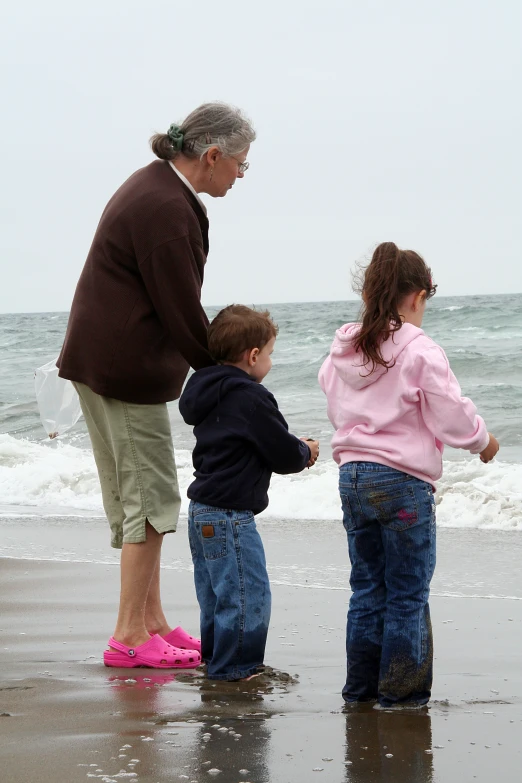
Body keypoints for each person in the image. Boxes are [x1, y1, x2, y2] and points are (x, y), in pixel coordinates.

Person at [57, 103, 256, 669]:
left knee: (132, 499)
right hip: (125, 370)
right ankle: (127, 638)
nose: (240, 175)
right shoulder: (167, 207)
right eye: (240, 164)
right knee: (148, 504)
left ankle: (151, 622)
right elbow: (181, 310)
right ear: (212, 155)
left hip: (101, 362)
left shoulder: (155, 188)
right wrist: (226, 378)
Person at [319, 242, 499, 708]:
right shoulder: (420, 348)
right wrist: (483, 441)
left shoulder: (343, 348)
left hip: (353, 474)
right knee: (407, 593)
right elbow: (451, 414)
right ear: (418, 296)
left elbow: (334, 400)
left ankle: (360, 691)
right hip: (401, 482)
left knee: (367, 588)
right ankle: (401, 695)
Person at [179, 305, 320, 680]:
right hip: (229, 516)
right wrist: (306, 450)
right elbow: (281, 452)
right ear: (253, 355)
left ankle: (217, 661)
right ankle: (236, 670)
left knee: (215, 597)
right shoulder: (252, 397)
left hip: (201, 511)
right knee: (246, 594)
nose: (270, 360)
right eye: (270, 352)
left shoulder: (202, 390)